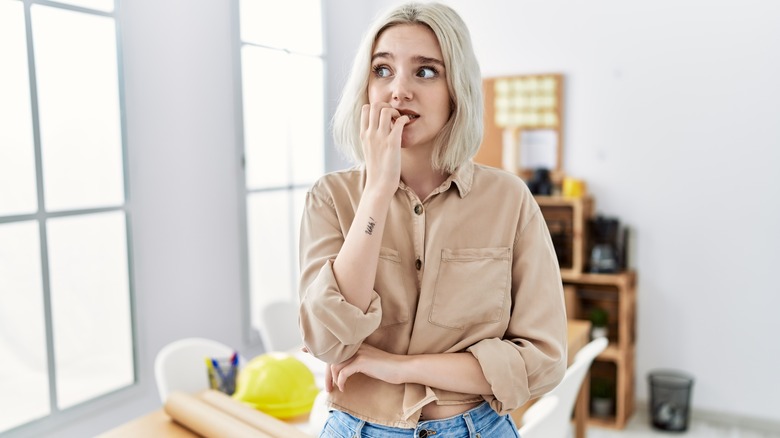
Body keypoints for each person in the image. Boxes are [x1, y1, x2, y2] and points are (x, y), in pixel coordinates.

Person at [298, 2, 567, 436]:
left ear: (456, 88)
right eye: (382, 70)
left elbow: (543, 363)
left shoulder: (509, 200)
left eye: (425, 72)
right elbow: (330, 342)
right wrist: (377, 193)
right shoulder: (330, 198)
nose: (398, 91)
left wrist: (399, 368)